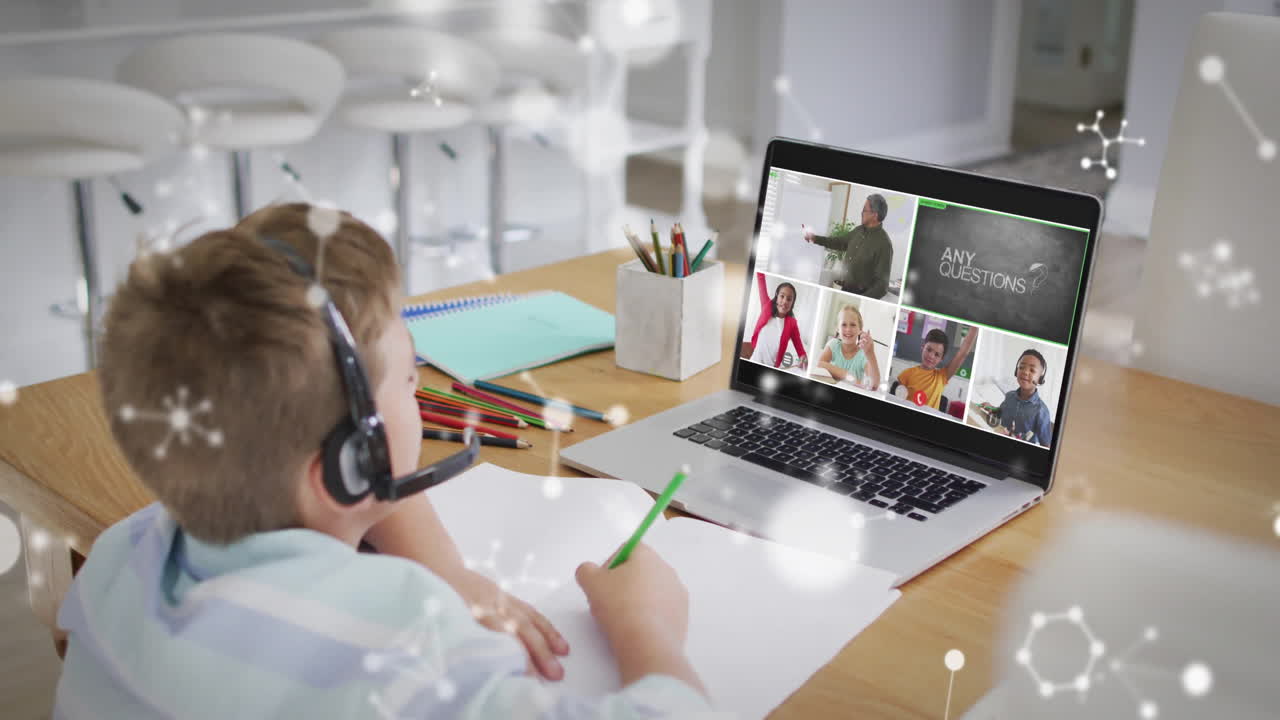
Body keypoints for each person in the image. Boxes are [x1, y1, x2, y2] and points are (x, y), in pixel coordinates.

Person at [54, 204, 710, 718]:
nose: (421, 384)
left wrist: (445, 566)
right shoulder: (405, 646)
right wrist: (646, 628)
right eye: (407, 379)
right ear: (345, 464)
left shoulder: (125, 557)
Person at [802, 193, 893, 298]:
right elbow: (839, 242)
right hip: (844, 289)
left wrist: (861, 299)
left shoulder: (884, 244)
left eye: (864, 210)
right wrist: (815, 238)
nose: (861, 213)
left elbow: (882, 286)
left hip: (859, 295)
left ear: (874, 215)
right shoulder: (858, 231)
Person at [897, 325, 977, 410]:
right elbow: (898, 401)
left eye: (937, 354)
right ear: (923, 347)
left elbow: (962, 353)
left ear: (941, 359)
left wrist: (975, 327)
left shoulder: (942, 376)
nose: (931, 356)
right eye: (929, 349)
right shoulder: (906, 374)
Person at [742, 273, 808, 369]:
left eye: (789, 299)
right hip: (754, 361)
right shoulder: (766, 306)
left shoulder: (792, 323)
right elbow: (761, 279)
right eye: (782, 296)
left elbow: (800, 348)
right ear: (777, 296)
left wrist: (803, 357)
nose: (785, 301)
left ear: (792, 303)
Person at [992, 349, 1053, 446]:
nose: (1025, 372)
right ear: (1016, 371)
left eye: (1032, 370)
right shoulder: (1009, 396)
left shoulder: (1042, 411)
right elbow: (1000, 412)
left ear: (1040, 379)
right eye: (1021, 367)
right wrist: (991, 408)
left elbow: (1046, 445)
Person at [816, 304, 880, 389]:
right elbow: (820, 364)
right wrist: (848, 376)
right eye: (844, 324)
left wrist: (870, 353)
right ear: (838, 329)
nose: (848, 329)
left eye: (853, 325)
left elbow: (874, 385)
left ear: (860, 329)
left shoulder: (863, 354)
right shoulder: (833, 345)